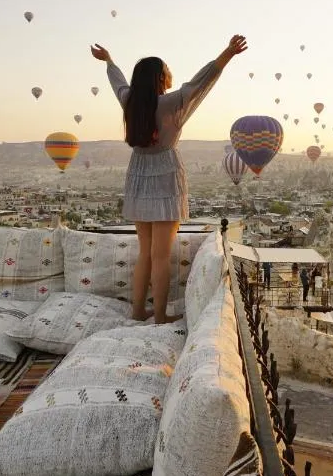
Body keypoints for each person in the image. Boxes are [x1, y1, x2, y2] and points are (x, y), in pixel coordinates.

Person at [90, 35, 248, 323]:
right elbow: (202, 82)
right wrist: (228, 53)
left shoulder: (130, 102)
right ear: (161, 77)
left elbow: (119, 84)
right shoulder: (173, 102)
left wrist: (109, 61)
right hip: (165, 177)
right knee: (161, 255)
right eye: (167, 69)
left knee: (145, 254)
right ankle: (160, 315)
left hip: (138, 174)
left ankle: (138, 311)